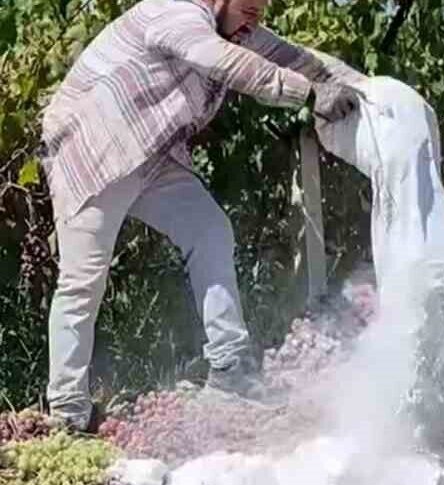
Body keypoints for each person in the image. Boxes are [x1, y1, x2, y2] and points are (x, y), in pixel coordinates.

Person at [39, 0, 367, 432]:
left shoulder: (236, 25)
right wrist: (308, 93)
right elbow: (224, 62)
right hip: (95, 152)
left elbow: (295, 57)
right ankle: (66, 413)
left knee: (210, 231)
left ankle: (230, 369)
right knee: (83, 281)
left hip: (152, 156)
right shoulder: (174, 13)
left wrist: (365, 88)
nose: (259, 8)